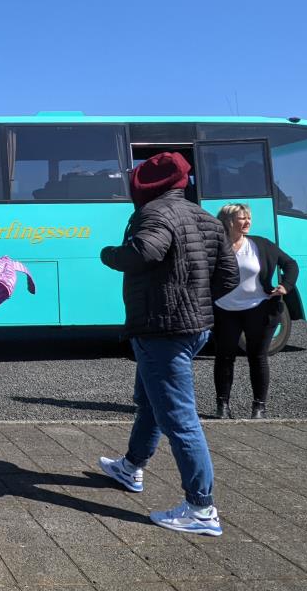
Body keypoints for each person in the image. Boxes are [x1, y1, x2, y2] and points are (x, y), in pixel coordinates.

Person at [97, 152, 239, 536]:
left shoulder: (155, 214)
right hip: (195, 328)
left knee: (180, 419)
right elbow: (229, 276)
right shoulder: (206, 218)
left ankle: (201, 508)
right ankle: (130, 467)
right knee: (149, 401)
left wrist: (110, 254)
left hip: (162, 330)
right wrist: (195, 302)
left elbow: (145, 251)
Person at [212, 203, 300, 420]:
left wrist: (285, 286)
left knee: (257, 357)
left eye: (249, 218)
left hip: (259, 310)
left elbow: (290, 264)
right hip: (224, 311)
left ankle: (259, 407)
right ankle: (222, 406)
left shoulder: (261, 245)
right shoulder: (214, 247)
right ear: (228, 222)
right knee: (224, 357)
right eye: (242, 218)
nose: (248, 222)